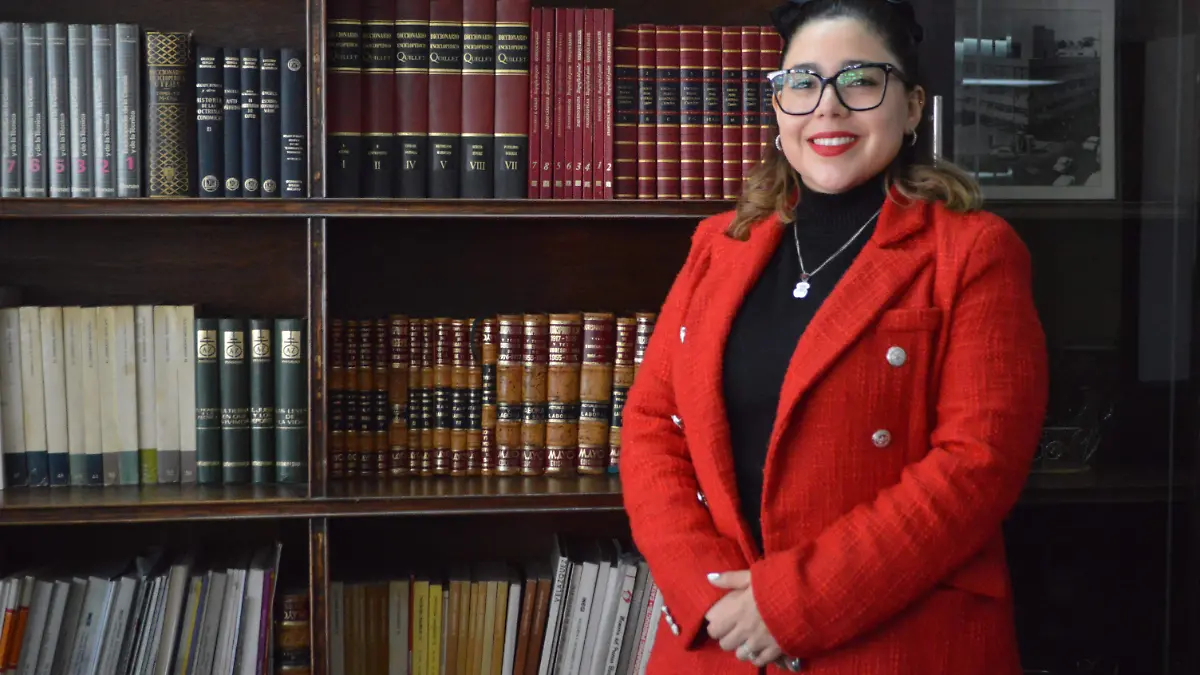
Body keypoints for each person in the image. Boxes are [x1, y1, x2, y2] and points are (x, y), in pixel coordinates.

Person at [618, 0, 1050, 672]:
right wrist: (704, 591)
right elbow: (652, 425)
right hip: (721, 641)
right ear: (778, 107)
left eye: (860, 80)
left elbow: (977, 466)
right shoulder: (718, 245)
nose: (828, 107)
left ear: (912, 107)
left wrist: (790, 605)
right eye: (802, 83)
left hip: (898, 642)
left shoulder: (973, 253)